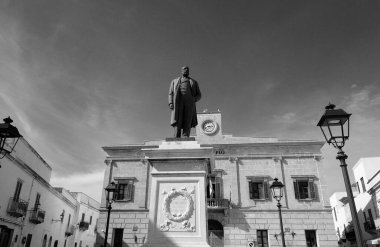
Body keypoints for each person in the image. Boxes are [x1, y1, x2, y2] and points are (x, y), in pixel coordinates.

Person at [168, 66, 201, 138]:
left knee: (187, 119)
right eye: (184, 69)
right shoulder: (174, 81)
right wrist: (170, 102)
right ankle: (176, 136)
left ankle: (185, 136)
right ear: (181, 71)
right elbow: (170, 93)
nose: (186, 71)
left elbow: (199, 95)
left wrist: (194, 99)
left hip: (189, 102)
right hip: (178, 102)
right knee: (178, 119)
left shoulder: (194, 82)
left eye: (187, 70)